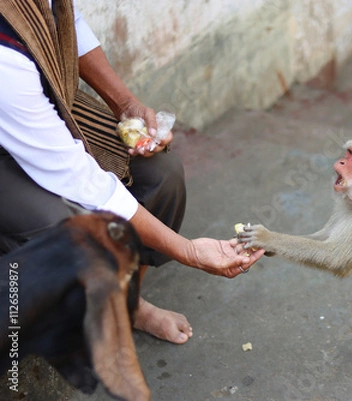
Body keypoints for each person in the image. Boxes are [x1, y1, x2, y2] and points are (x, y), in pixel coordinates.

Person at [0, 0, 263, 344]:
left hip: (46, 104)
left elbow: (66, 21)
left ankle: (130, 303)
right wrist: (187, 251)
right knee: (59, 227)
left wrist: (126, 106)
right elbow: (83, 183)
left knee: (160, 172)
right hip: (13, 133)